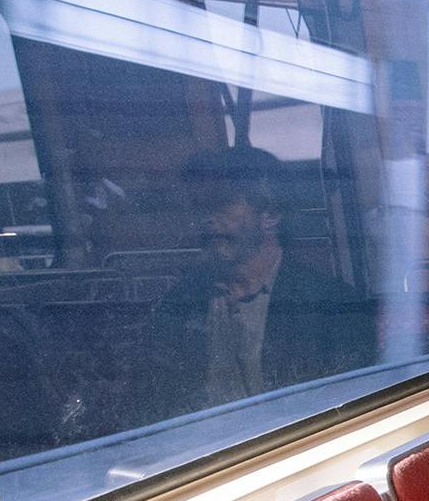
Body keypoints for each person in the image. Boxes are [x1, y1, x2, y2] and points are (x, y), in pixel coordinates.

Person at [140, 146, 376, 423]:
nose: (207, 218)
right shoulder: (177, 307)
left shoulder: (334, 309)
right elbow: (153, 409)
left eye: (222, 203)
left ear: (271, 215)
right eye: (199, 206)